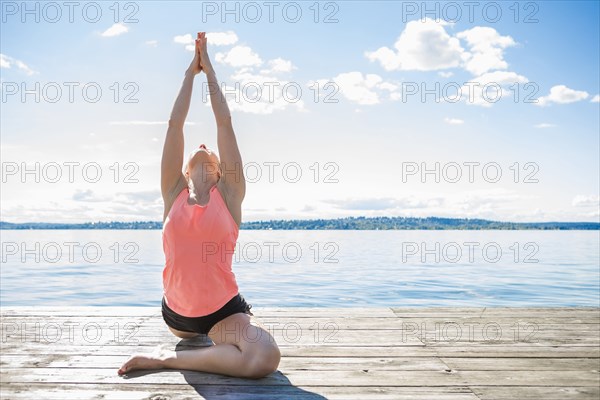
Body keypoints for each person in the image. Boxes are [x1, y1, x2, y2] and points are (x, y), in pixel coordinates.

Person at [118, 32, 281, 379]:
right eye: (196, 149)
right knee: (248, 353)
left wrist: (211, 73)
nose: (204, 143)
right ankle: (207, 352)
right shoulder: (172, 191)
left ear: (221, 171)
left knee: (265, 357)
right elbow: (175, 125)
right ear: (185, 168)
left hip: (223, 312)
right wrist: (189, 74)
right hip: (177, 317)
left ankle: (168, 360)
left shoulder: (230, 195)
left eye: (211, 149)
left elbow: (224, 123)